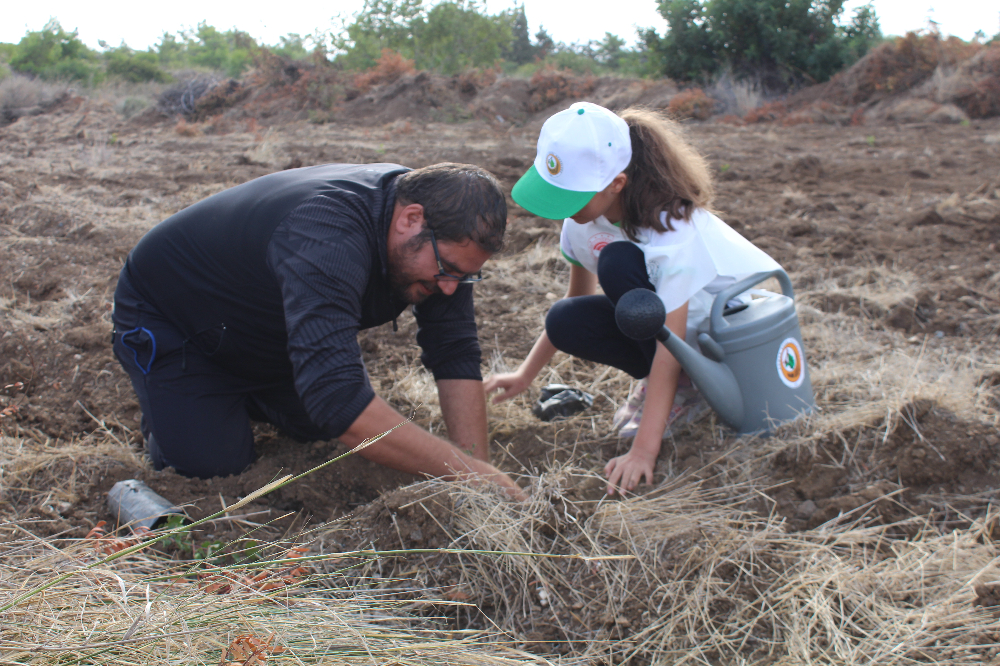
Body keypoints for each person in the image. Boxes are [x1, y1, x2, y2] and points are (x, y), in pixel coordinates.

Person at [112, 162, 523, 499]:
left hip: (266, 328)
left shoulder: (441, 234)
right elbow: (338, 399)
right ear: (411, 219)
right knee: (213, 468)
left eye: (466, 277)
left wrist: (479, 479)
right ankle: (176, 408)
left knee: (316, 429)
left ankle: (244, 397)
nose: (450, 287)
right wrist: (471, 473)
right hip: (172, 319)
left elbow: (454, 352)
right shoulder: (327, 234)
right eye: (448, 270)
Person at [484, 102, 781, 496]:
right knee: (564, 319)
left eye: (571, 195)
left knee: (618, 262)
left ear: (616, 184)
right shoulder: (581, 222)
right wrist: (525, 374)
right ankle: (668, 387)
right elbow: (577, 300)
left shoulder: (671, 228)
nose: (562, 209)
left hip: (723, 335)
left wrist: (644, 450)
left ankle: (688, 390)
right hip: (667, 330)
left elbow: (672, 341)